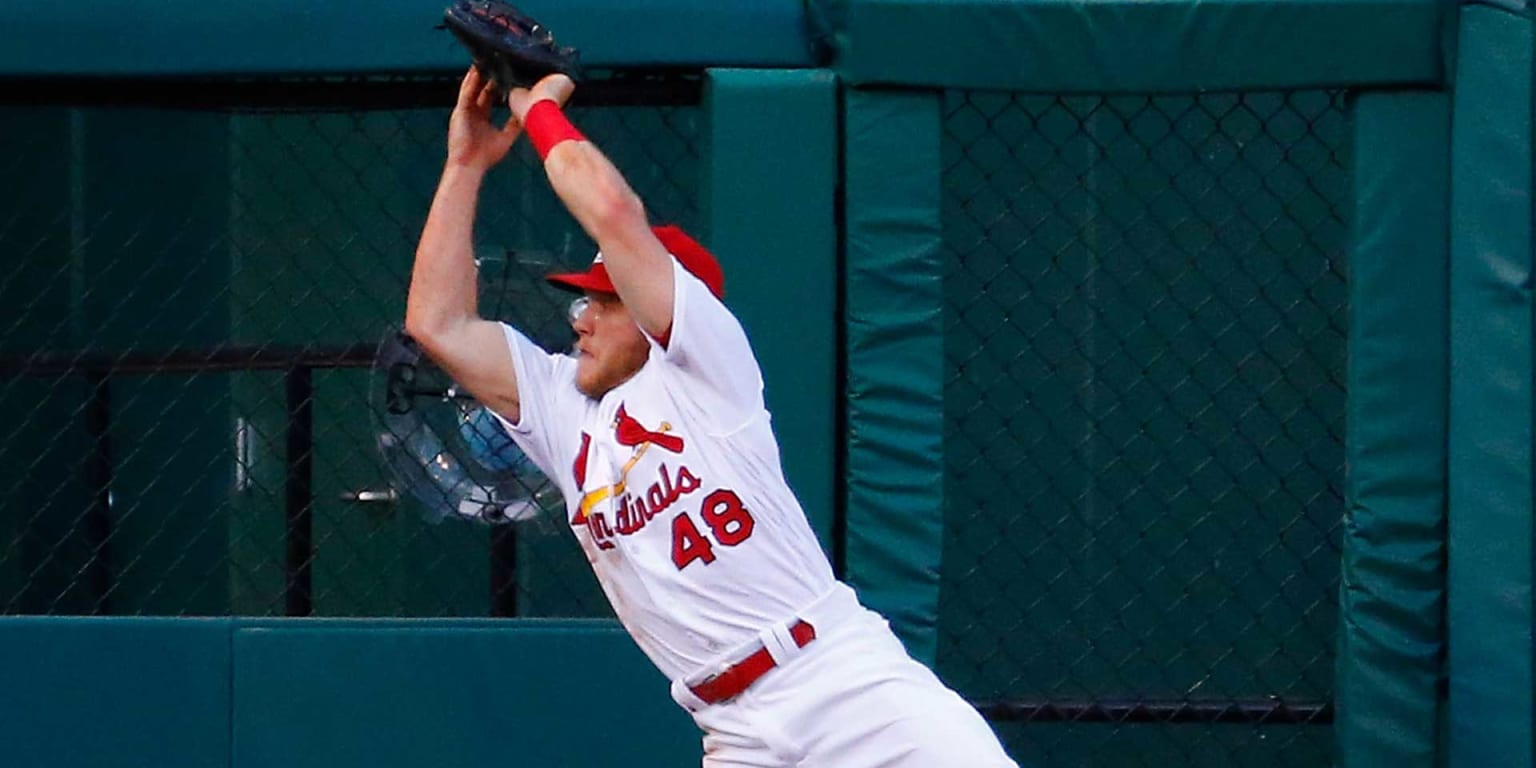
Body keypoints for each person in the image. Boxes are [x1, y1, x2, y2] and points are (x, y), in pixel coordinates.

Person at [406, 66, 1019, 768]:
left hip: (842, 686)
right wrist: (464, 163)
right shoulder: (565, 413)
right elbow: (438, 324)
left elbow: (610, 212)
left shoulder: (705, 365)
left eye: (604, 302)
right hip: (734, 733)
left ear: (651, 306)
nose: (582, 320)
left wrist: (538, 110)